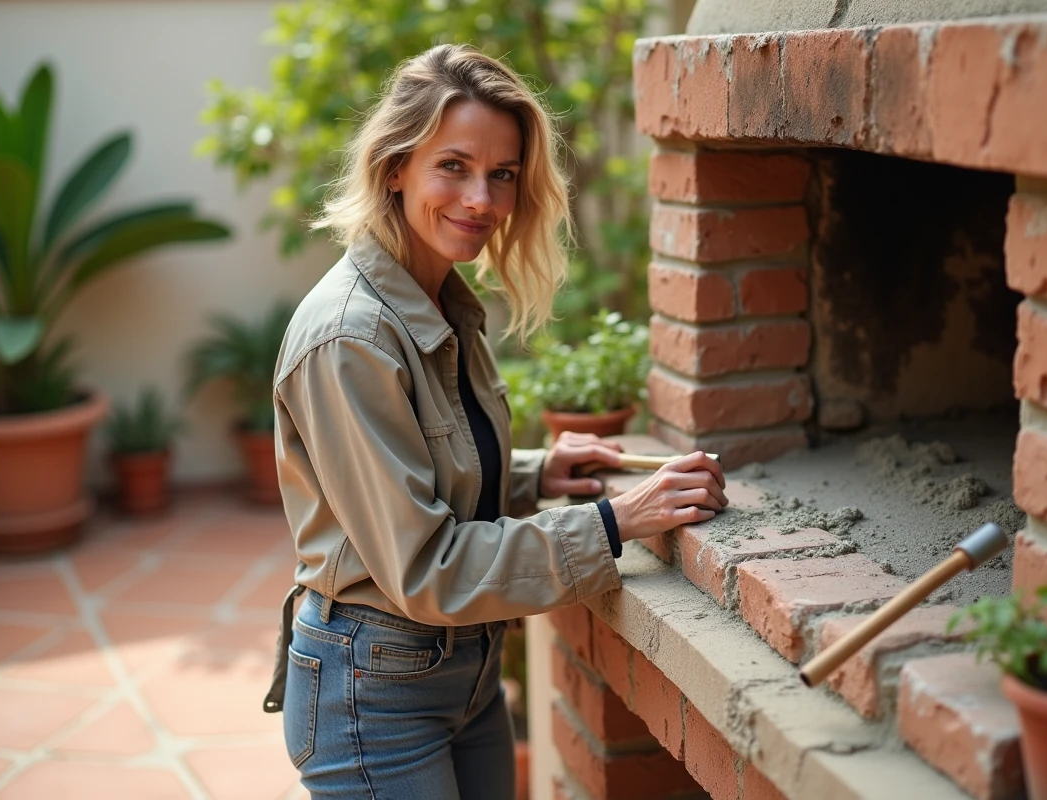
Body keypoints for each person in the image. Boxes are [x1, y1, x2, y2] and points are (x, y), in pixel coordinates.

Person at [263, 43, 728, 799]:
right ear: (395, 166)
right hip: (374, 691)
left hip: (466, 675)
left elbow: (411, 470)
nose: (481, 198)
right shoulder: (350, 337)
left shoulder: (439, 298)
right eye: (453, 166)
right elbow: (424, 567)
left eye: (502, 175)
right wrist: (613, 522)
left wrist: (533, 472)